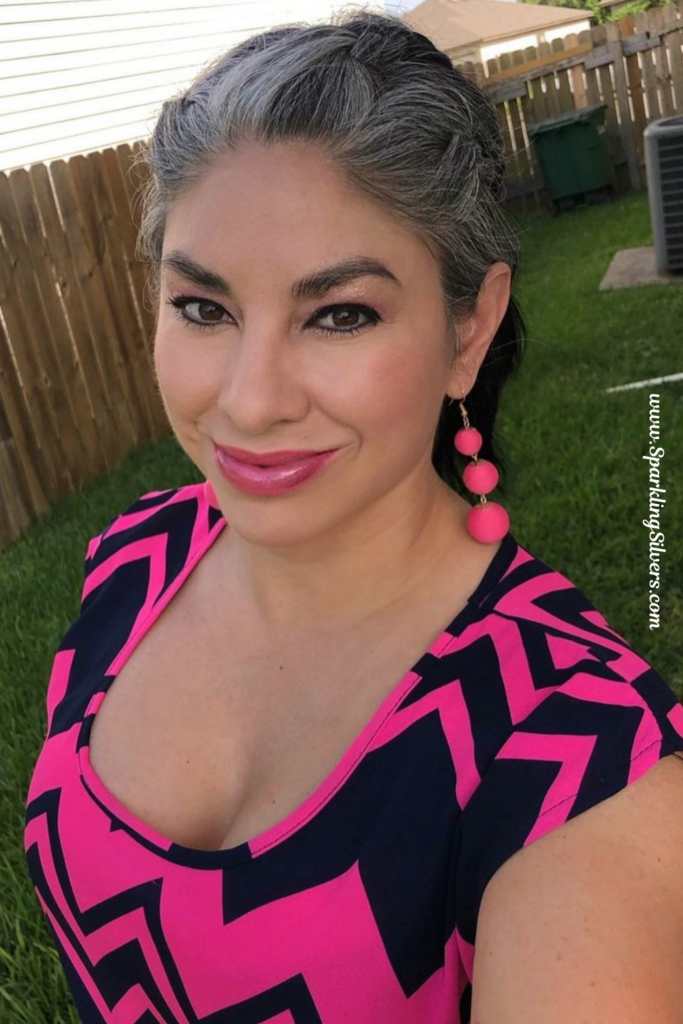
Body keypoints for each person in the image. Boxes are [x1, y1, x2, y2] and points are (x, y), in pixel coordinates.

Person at [23, 8, 683, 1024]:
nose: (251, 399)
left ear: (469, 327)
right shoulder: (134, 556)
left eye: (339, 314)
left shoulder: (581, 761)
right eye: (203, 307)